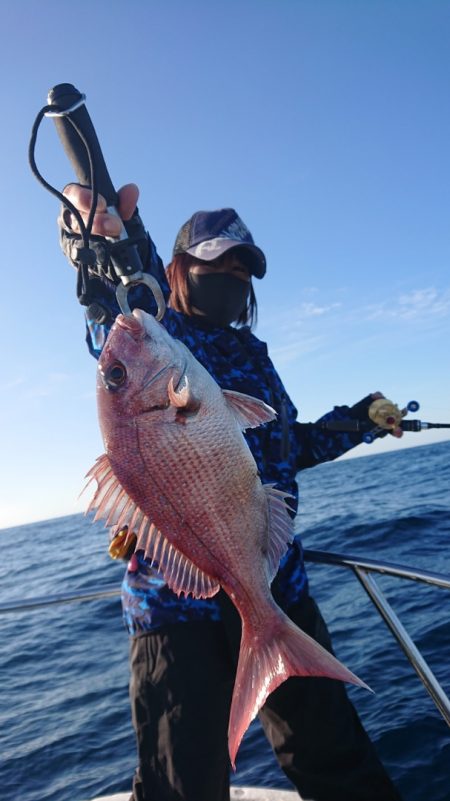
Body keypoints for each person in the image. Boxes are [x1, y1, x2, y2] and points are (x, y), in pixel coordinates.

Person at [59, 183, 403, 801]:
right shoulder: (155, 334)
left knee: (339, 767)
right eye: (214, 263)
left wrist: (359, 421)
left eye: (242, 269)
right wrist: (103, 245)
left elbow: (283, 445)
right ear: (177, 271)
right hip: (175, 614)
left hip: (274, 590)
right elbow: (111, 315)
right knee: (181, 787)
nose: (231, 277)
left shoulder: (251, 353)